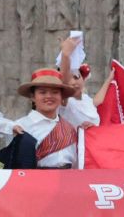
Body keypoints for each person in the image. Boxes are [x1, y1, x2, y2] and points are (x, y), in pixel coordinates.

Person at [8, 37, 99, 168]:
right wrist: (66, 55)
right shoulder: (20, 126)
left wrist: (89, 133)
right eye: (42, 92)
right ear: (32, 97)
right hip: (35, 183)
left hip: (68, 183)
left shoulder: (70, 128)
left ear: (62, 97)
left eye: (55, 92)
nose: (49, 96)